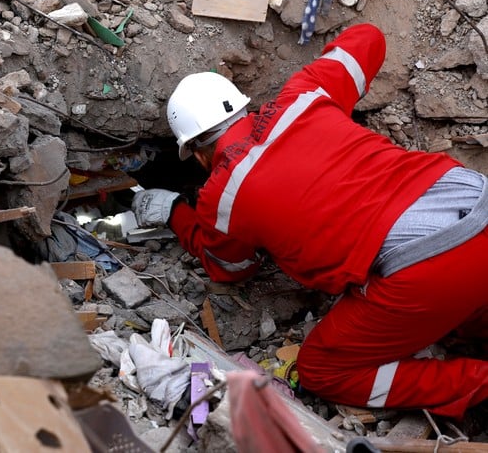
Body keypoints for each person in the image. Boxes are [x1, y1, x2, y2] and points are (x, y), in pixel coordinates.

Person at [131, 23, 488, 419]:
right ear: (245, 106)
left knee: (323, 370)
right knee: (470, 315)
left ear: (197, 156)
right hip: (473, 198)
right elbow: (371, 37)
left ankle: (477, 384)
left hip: (426, 266)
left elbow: (231, 267)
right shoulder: (305, 96)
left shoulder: (222, 197)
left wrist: (174, 212)